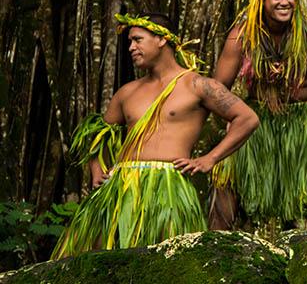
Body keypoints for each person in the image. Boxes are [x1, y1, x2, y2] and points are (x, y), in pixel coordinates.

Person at [53, 13, 259, 258]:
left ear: (162, 40)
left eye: (138, 40)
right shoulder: (127, 92)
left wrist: (210, 158)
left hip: (168, 190)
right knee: (101, 260)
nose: (131, 47)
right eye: (130, 42)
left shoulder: (198, 85)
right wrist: (97, 170)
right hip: (120, 190)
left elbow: (247, 119)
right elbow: (97, 135)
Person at [208, 0, 307, 229]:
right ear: (261, 0)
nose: (285, 2)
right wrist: (231, 116)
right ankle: (216, 248)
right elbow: (217, 88)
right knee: (225, 176)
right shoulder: (242, 36)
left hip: (306, 122)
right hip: (257, 122)